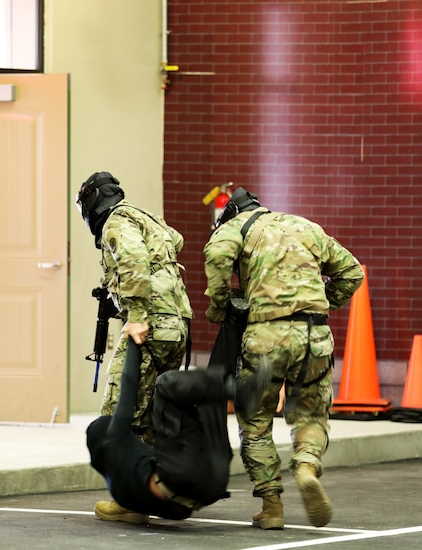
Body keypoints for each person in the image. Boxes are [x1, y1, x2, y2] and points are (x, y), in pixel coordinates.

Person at [203, 187, 364, 530]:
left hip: (266, 337)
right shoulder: (304, 226)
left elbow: (216, 258)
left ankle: (272, 505)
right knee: (310, 412)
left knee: (255, 420)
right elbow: (352, 272)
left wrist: (220, 307)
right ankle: (306, 467)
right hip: (315, 338)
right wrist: (320, 306)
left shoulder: (233, 229)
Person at [75, 171, 193, 520]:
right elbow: (177, 240)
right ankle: (158, 489)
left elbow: (134, 261)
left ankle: (130, 501)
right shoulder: (144, 217)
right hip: (176, 326)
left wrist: (137, 314)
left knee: (118, 413)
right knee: (153, 413)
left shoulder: (115, 223)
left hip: (150, 325)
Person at [86, 333, 271, 524]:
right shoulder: (112, 440)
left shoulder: (120, 491)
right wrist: (133, 340)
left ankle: (231, 333)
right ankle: (242, 392)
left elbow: (178, 513)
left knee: (207, 394)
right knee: (167, 385)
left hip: (209, 487)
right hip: (181, 476)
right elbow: (128, 387)